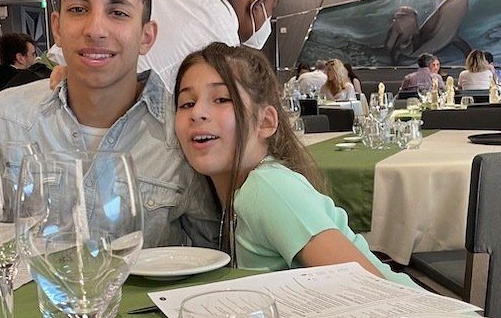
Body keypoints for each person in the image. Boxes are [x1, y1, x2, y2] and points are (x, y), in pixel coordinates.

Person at [0, 0, 218, 247]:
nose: (95, 29)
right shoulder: (8, 117)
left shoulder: (185, 129)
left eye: (118, 12)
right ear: (58, 28)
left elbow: (212, 249)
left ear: (146, 37)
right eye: (78, 10)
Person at [174, 42, 416, 285]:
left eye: (221, 99)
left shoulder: (267, 187)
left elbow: (372, 290)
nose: (197, 113)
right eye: (187, 103)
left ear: (266, 122)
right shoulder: (233, 195)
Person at [48, 0, 283, 91]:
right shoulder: (223, 43)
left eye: (118, 13)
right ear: (256, 7)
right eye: (272, 8)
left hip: (54, 76)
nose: (96, 29)